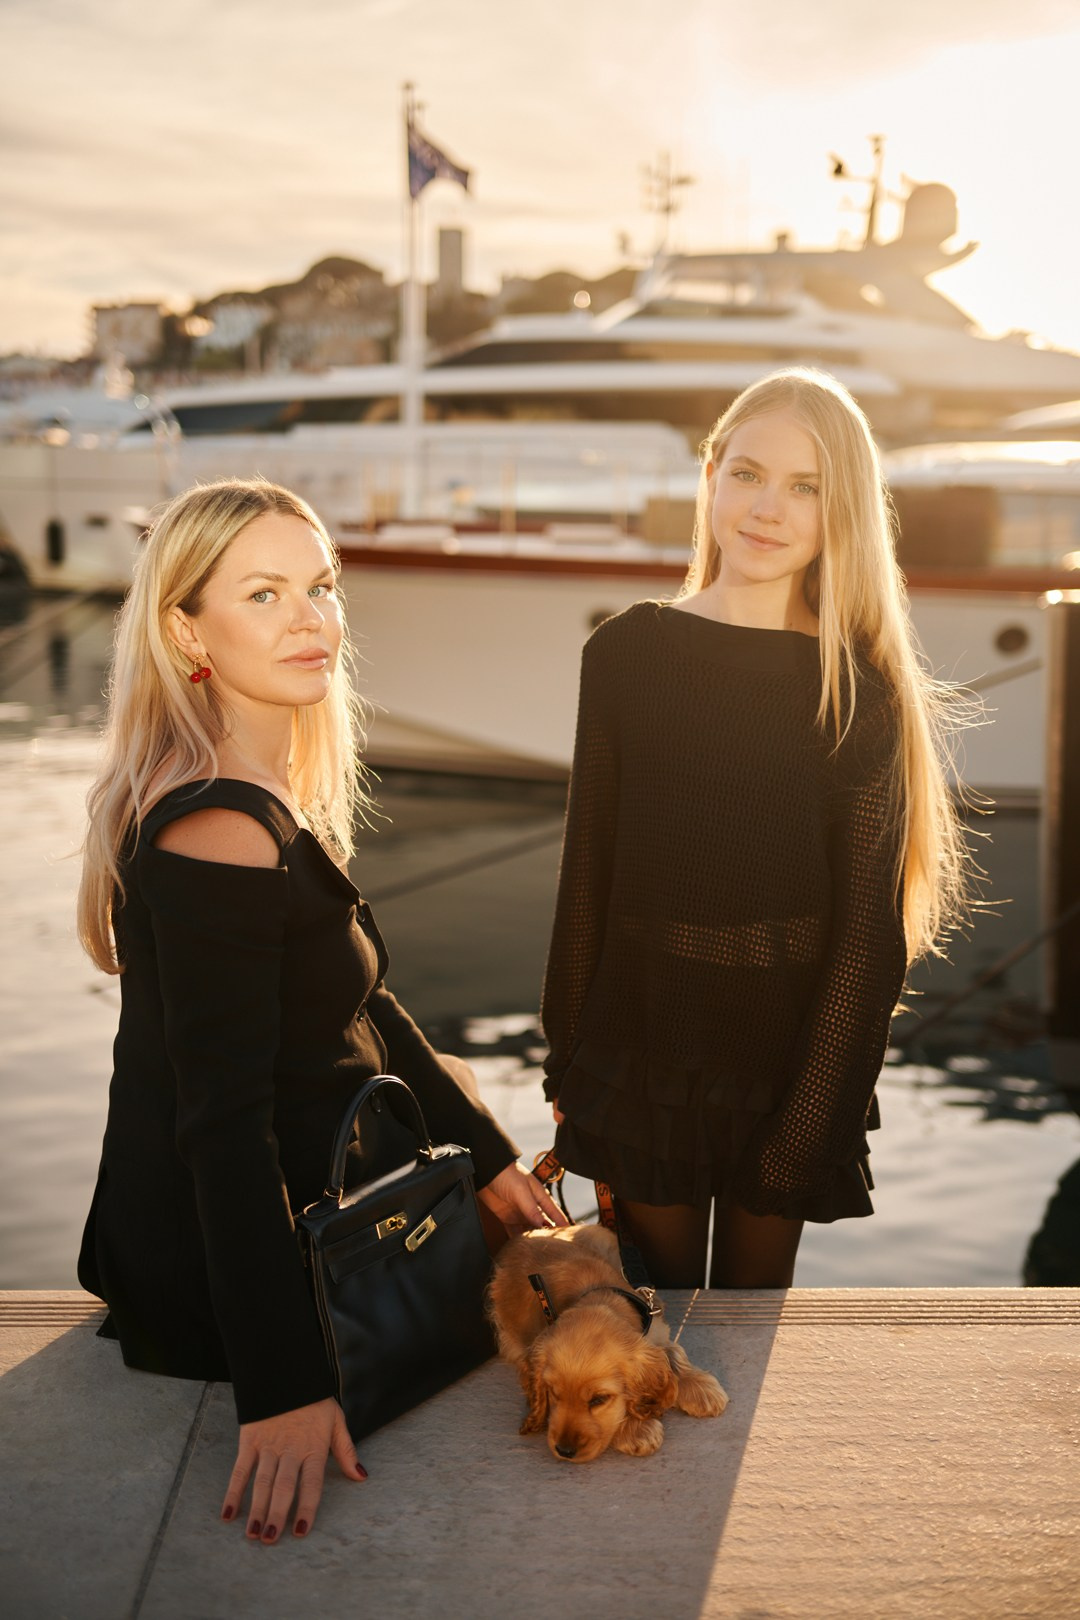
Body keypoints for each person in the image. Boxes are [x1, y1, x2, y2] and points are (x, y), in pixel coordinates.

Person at [77, 478, 565, 1546]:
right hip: (228, 1258)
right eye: (264, 594)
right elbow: (220, 1120)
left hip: (309, 1178)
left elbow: (367, 1003)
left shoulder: (261, 785)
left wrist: (487, 1157)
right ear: (183, 630)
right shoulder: (212, 828)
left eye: (321, 587)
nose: (313, 619)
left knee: (497, 1149)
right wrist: (284, 1387)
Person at [540, 368, 972, 1292]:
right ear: (710, 477)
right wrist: (568, 1064)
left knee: (742, 1336)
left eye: (804, 487)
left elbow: (867, 937)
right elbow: (590, 876)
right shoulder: (626, 652)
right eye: (747, 474)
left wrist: (814, 1115)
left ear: (839, 512)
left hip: (789, 1064)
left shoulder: (858, 689)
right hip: (643, 1050)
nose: (767, 508)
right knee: (649, 1324)